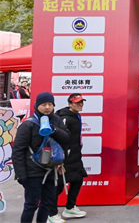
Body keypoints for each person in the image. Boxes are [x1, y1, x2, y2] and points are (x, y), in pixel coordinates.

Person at [13, 92, 70, 223]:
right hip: (33, 171)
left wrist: (53, 130)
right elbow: (18, 151)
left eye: (50, 104)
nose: (47, 107)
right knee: (31, 205)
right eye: (43, 104)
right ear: (37, 105)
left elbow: (67, 139)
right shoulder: (28, 125)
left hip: (51, 171)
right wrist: (21, 174)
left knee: (47, 204)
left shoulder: (57, 120)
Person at [48, 94, 88, 222]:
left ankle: (70, 207)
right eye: (77, 103)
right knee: (58, 186)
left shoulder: (76, 115)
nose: (80, 104)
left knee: (78, 179)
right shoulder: (64, 118)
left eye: (81, 102)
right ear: (70, 104)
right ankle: (51, 214)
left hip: (75, 156)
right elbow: (60, 138)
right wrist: (61, 159)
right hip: (65, 158)